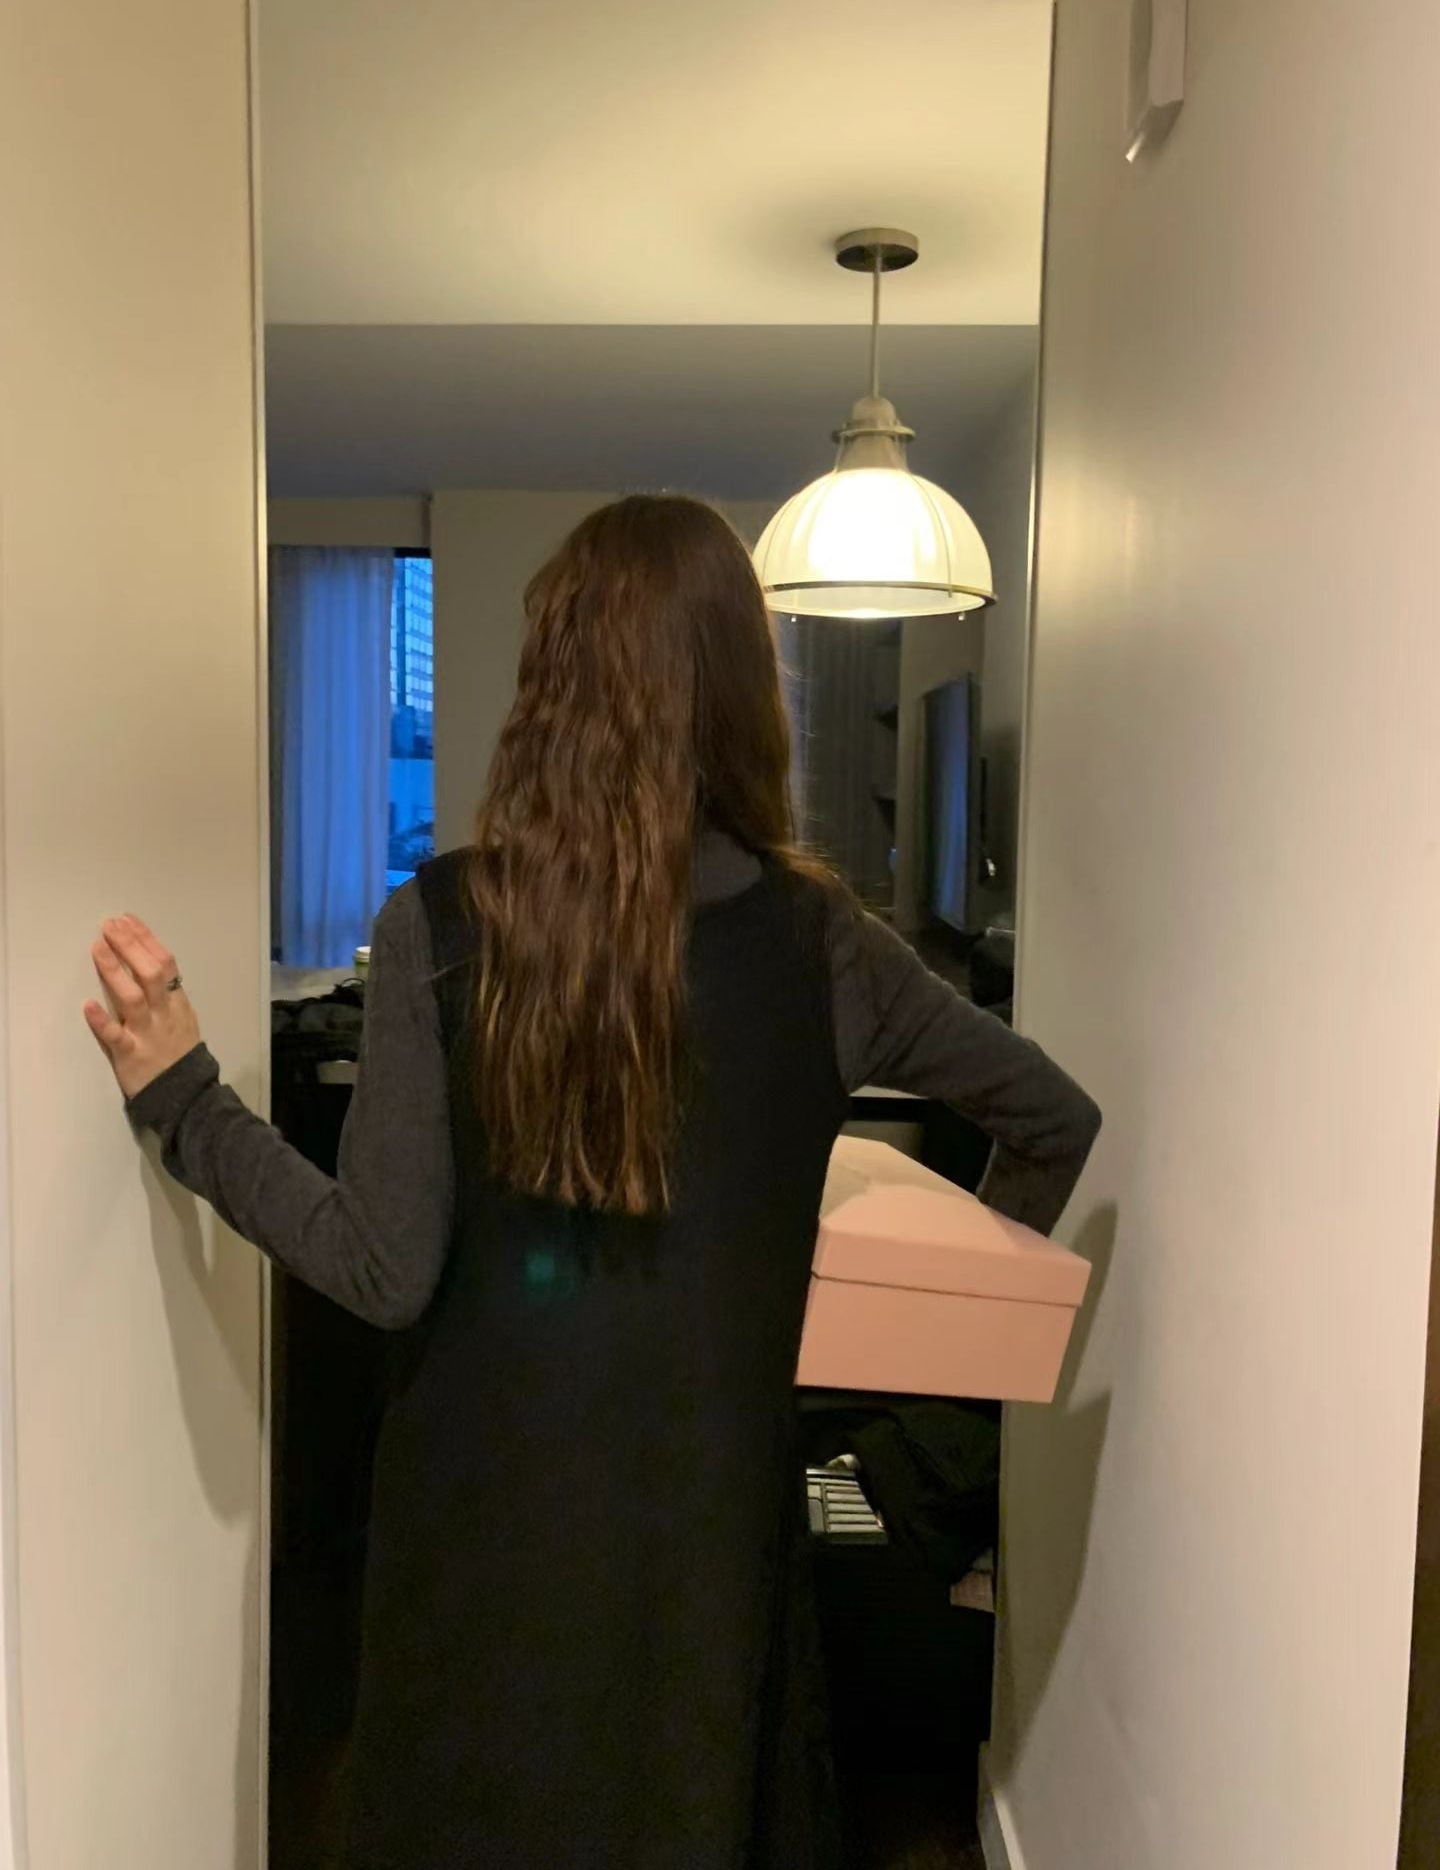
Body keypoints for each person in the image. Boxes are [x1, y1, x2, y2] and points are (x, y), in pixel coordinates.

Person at [84, 495, 1100, 1870]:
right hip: (708, 1545)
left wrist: (186, 1101)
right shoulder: (826, 945)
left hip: (482, 1540)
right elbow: (1051, 1120)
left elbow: (381, 1267)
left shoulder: (442, 921)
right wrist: (904, 1352)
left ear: (549, 683)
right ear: (747, 693)